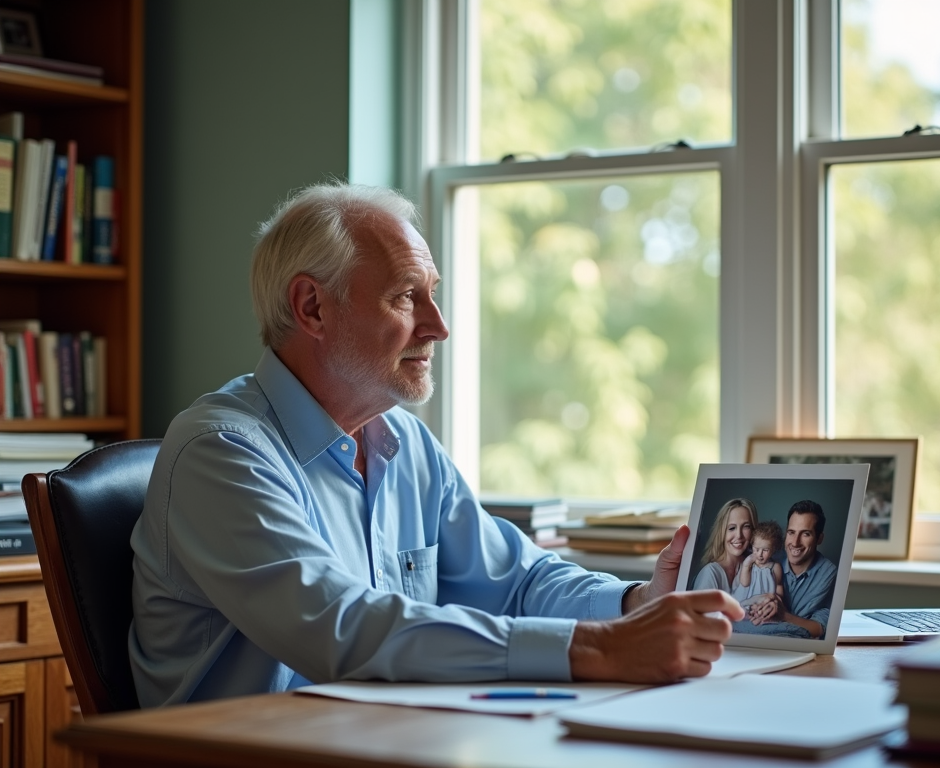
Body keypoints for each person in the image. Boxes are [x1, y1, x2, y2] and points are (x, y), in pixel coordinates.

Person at [128, 181, 744, 708]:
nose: (439, 325)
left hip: (384, 741)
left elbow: (518, 582)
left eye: (433, 292)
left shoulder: (404, 445)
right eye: (404, 296)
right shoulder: (221, 452)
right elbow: (342, 630)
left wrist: (637, 601)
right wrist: (599, 648)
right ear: (312, 306)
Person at [748, 500, 837, 639]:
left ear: (819, 538)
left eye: (806, 534)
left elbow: (820, 628)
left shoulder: (828, 573)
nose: (795, 542)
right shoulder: (769, 557)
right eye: (791, 532)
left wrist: (782, 615)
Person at [690, 498, 757, 592]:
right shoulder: (710, 573)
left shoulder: (755, 567)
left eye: (746, 527)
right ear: (722, 532)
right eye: (732, 528)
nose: (739, 535)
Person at [733, 519, 784, 612]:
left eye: (765, 550)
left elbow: (779, 586)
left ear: (773, 550)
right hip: (748, 602)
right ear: (752, 546)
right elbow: (745, 583)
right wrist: (746, 566)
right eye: (756, 549)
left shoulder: (775, 567)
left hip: (766, 604)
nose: (760, 554)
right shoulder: (749, 563)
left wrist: (778, 599)